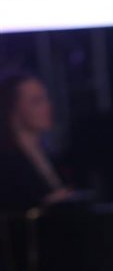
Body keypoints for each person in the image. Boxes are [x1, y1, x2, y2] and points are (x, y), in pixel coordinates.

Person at [0, 73, 74, 212]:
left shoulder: (51, 155)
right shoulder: (6, 161)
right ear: (13, 108)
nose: (48, 106)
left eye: (46, 99)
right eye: (36, 101)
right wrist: (44, 205)